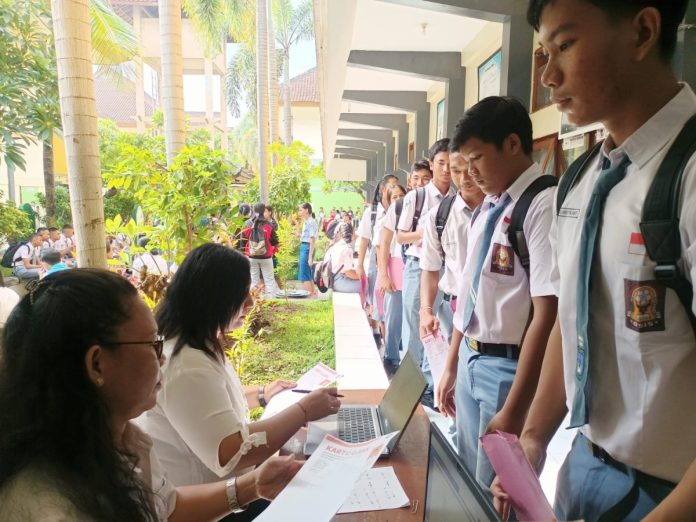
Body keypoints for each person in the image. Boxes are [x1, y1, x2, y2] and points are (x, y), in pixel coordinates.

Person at [492, 1, 694, 520]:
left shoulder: (688, 177)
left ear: (643, 31)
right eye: (542, 53)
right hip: (583, 467)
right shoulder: (579, 181)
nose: (548, 75)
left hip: (671, 493)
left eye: (565, 45)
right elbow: (570, 319)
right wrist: (534, 437)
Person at [0, 269, 302, 521]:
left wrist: (253, 485)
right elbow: (227, 453)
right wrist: (303, 411)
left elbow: (166, 508)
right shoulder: (55, 506)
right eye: (151, 344)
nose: (162, 359)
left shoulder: (119, 442)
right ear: (97, 364)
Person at [138, 244, 338, 518]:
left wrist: (262, 395)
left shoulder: (196, 344)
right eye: (241, 294)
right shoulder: (185, 364)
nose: (251, 303)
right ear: (214, 299)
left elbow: (208, 408)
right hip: (214, 508)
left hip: (229, 495)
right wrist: (303, 411)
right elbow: (232, 455)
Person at [437, 97, 557, 491]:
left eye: (477, 159)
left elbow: (548, 314)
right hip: (472, 358)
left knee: (497, 492)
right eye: (463, 164)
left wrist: (516, 408)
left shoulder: (543, 205)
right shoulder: (489, 207)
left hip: (508, 370)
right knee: (472, 479)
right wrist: (453, 362)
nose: (469, 174)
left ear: (512, 144)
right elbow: (470, 295)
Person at [397, 140, 456, 405]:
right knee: (415, 325)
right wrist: (429, 232)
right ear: (432, 165)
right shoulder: (417, 197)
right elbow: (400, 237)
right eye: (441, 163)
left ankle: (433, 384)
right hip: (417, 265)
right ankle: (410, 385)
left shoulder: (457, 198)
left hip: (446, 269)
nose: (446, 169)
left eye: (450, 164)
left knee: (441, 327)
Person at [419, 148, 484, 345]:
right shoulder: (439, 216)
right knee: (442, 369)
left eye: (470, 170)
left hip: (489, 311)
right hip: (451, 308)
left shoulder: (500, 210)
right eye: (456, 171)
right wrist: (426, 310)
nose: (464, 179)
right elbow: (430, 269)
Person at [376, 184, 408, 375]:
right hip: (394, 269)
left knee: (409, 319)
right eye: (394, 197)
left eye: (401, 195)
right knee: (394, 316)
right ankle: (391, 357)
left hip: (412, 268)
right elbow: (382, 247)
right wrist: (383, 275)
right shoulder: (388, 218)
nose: (398, 199)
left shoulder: (415, 211)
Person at [242, 203, 280, 299]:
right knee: (269, 280)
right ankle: (270, 302)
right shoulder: (269, 224)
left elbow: (243, 240)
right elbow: (275, 241)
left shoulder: (247, 224)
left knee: (254, 281)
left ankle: (254, 302)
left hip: (251, 256)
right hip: (266, 257)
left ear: (253, 211)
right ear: (264, 211)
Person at [326, 223, 361, 293]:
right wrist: (362, 277)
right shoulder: (347, 249)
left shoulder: (336, 245)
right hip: (339, 281)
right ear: (351, 234)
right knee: (367, 285)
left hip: (330, 279)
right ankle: (370, 304)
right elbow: (349, 273)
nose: (356, 235)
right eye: (354, 232)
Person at [297, 202, 320, 296]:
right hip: (306, 247)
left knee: (304, 273)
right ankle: (313, 294)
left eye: (300, 210)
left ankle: (310, 295)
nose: (299, 212)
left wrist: (310, 256)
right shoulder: (308, 221)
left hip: (307, 248)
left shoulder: (310, 222)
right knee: (307, 273)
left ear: (306, 210)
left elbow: (312, 239)